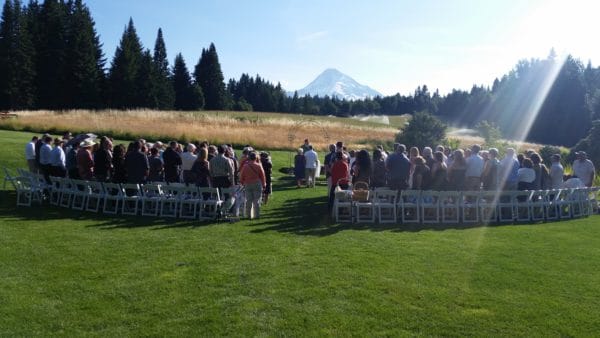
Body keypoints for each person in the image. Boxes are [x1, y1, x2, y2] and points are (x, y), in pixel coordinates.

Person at [240, 152, 266, 219]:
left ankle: (248, 215)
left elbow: (242, 175)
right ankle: (256, 215)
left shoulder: (245, 166)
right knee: (257, 200)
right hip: (257, 183)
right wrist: (264, 184)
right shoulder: (258, 165)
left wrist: (242, 183)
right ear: (255, 158)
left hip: (247, 183)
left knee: (248, 200)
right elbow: (262, 176)